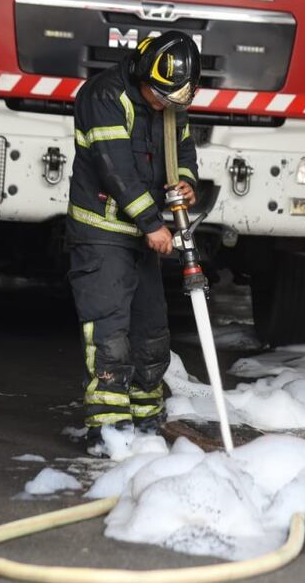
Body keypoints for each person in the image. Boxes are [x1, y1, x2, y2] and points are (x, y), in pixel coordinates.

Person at [67, 31, 201, 452]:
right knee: (110, 331)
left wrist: (187, 182)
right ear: (144, 75)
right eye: (160, 97)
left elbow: (183, 150)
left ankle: (146, 422)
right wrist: (152, 224)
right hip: (102, 233)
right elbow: (115, 169)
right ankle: (108, 430)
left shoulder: (169, 103)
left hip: (142, 236)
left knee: (151, 331)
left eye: (172, 100)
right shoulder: (105, 96)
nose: (165, 105)